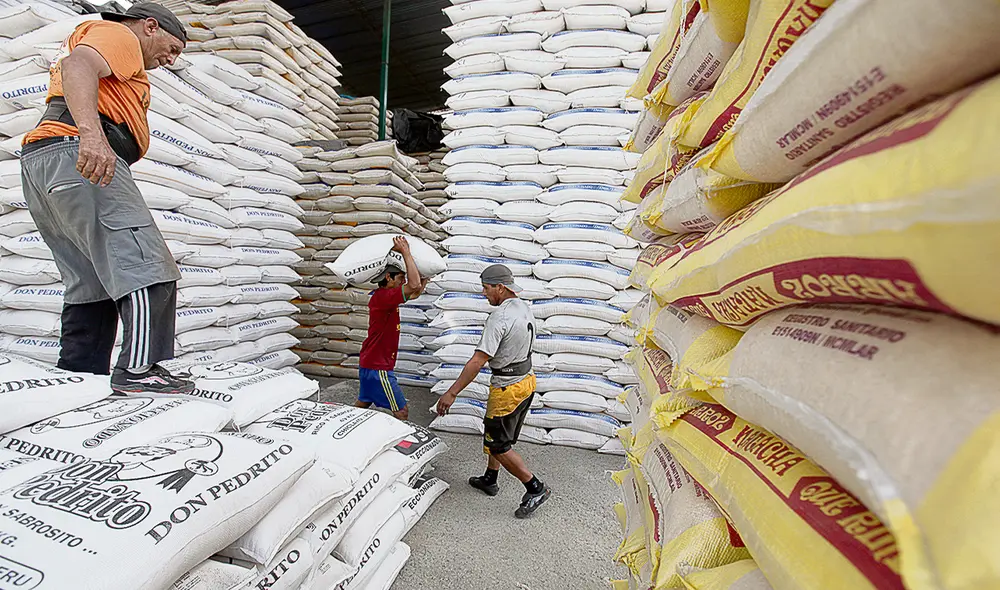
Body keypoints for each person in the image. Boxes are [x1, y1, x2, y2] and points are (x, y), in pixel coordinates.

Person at [19, 3, 191, 395]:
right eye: (173, 48)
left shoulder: (114, 46)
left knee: (90, 283)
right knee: (148, 267)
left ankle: (78, 376)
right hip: (80, 153)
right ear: (150, 26)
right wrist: (92, 136)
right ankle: (140, 369)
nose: (170, 59)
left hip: (48, 161)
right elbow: (78, 66)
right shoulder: (120, 36)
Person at [436, 264, 550, 519]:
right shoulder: (522, 307)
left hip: (508, 388)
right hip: (525, 382)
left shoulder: (500, 317)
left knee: (498, 445)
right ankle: (490, 478)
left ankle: (535, 487)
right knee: (496, 435)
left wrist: (452, 393)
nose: (484, 294)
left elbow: (477, 361)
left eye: (486, 288)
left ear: (500, 287)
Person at [356, 236, 427, 420]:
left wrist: (424, 276)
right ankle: (399, 447)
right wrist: (406, 252)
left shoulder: (385, 296)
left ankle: (339, 429)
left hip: (369, 363)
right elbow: (414, 286)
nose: (403, 282)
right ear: (388, 277)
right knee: (401, 411)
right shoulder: (384, 297)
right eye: (400, 278)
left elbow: (415, 292)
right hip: (378, 368)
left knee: (361, 406)